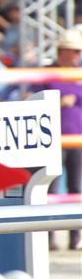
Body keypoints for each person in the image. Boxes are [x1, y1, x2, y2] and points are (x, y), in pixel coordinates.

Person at [44, 29, 82, 250]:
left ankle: (74, 235)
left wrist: (74, 98)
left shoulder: (79, 73)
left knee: (75, 188)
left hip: (76, 138)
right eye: (75, 51)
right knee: (51, 188)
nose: (78, 55)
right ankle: (47, 236)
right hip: (54, 139)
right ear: (63, 51)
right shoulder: (47, 73)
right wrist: (57, 102)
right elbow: (34, 99)